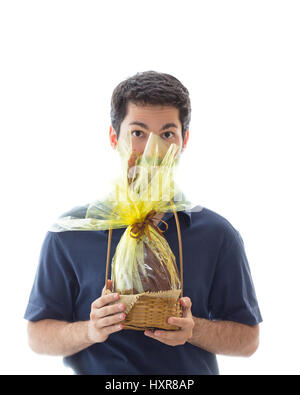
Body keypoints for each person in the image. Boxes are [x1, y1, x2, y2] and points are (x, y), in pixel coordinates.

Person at [24, 70, 262, 375]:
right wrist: (90, 330)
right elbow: (37, 336)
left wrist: (194, 329)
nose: (153, 151)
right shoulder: (71, 230)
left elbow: (248, 339)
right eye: (138, 133)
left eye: (167, 134)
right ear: (115, 137)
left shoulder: (217, 234)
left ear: (183, 141)